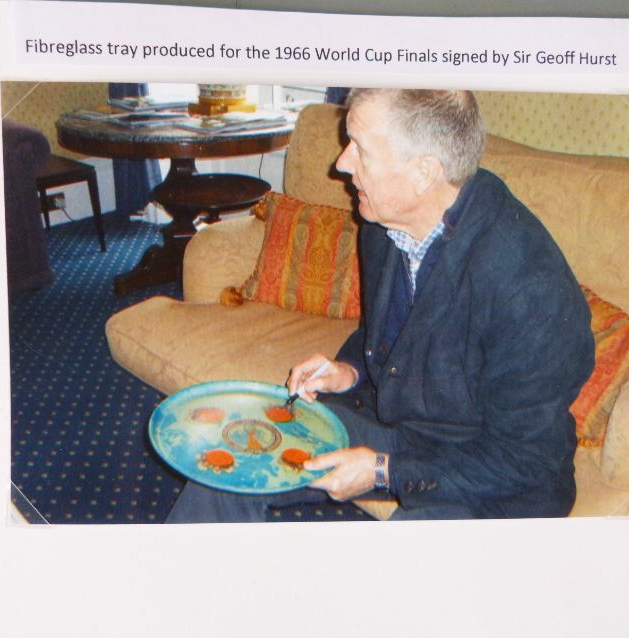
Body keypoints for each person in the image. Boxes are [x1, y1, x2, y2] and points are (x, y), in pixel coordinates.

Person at [166, 88, 594, 523]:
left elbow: (525, 463)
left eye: (361, 149)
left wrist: (383, 471)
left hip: (487, 474)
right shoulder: (384, 222)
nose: (341, 163)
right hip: (404, 427)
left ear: (424, 172)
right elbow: (393, 332)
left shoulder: (529, 286)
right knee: (230, 467)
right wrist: (348, 371)